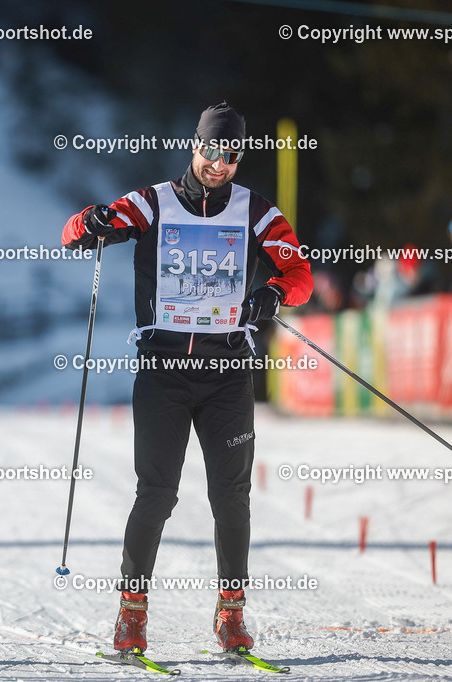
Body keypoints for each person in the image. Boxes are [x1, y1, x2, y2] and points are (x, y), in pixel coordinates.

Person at [61, 103, 312, 654]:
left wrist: (273, 293)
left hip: (227, 373)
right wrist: (92, 222)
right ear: (193, 145)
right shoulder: (153, 202)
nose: (218, 165)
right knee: (156, 492)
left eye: (229, 156)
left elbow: (299, 276)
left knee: (231, 495)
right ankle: (131, 612)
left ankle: (231, 611)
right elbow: (73, 233)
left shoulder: (258, 213)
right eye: (209, 151)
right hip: (164, 373)